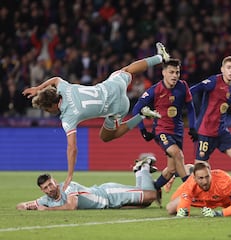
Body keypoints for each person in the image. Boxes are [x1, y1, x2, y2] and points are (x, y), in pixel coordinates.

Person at [22, 42, 170, 191]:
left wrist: (69, 175)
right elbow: (55, 79)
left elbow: (72, 148)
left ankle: (141, 115)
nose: (48, 112)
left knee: (106, 136)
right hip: (113, 86)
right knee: (127, 70)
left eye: (47, 110)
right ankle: (160, 57)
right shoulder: (63, 87)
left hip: (119, 108)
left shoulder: (68, 117)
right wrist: (38, 88)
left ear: (52, 106)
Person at [132, 58, 198, 202]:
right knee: (177, 154)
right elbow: (136, 109)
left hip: (178, 131)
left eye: (177, 72)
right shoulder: (155, 90)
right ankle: (191, 193)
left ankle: (154, 188)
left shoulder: (183, 86)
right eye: (171, 72)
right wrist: (143, 129)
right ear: (163, 73)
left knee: (172, 169)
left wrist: (193, 127)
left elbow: (191, 108)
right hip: (161, 130)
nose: (175, 75)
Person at [190, 56, 231, 187]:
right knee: (200, 169)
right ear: (222, 69)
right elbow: (193, 90)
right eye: (229, 68)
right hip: (205, 132)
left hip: (221, 132)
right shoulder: (213, 81)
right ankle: (177, 174)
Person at [16, 156, 158, 210]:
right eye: (46, 188)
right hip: (109, 207)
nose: (50, 189)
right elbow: (21, 206)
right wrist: (27, 206)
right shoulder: (45, 199)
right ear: (43, 191)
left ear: (56, 183)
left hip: (109, 195)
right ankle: (139, 170)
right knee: (145, 204)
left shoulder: (68, 187)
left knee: (151, 195)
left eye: (51, 184)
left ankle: (143, 168)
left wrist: (47, 210)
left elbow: (72, 206)